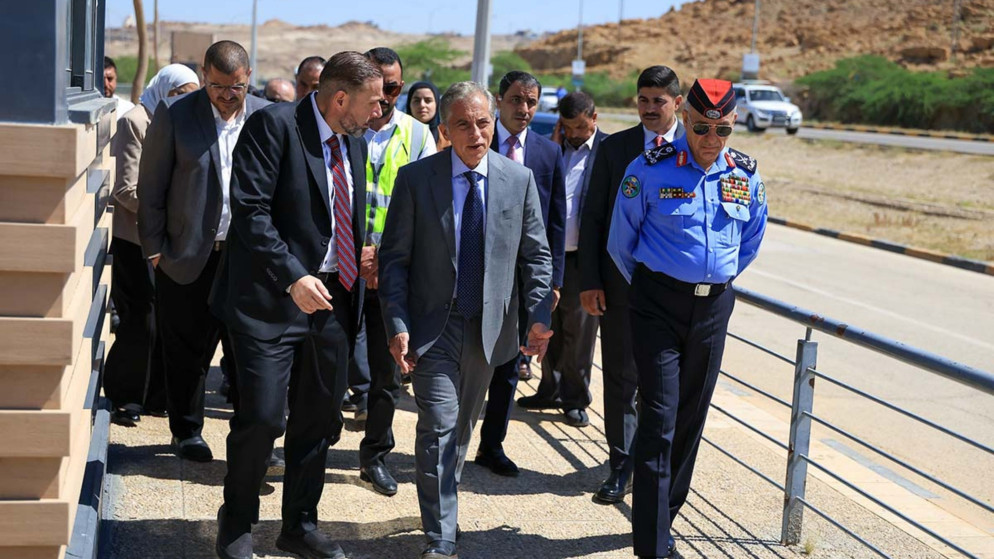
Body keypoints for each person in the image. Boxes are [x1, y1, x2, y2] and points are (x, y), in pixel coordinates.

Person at [210, 51, 383, 559]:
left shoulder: (354, 142)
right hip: (271, 302)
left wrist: (362, 252)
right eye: (373, 102)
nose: (379, 112)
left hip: (333, 301)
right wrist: (293, 277)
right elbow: (251, 212)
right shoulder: (274, 126)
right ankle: (236, 521)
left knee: (319, 422)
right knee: (264, 418)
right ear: (341, 98)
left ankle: (300, 526)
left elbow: (335, 216)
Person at [378, 80, 554, 559]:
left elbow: (536, 257)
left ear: (493, 123)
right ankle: (441, 536)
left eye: (482, 123)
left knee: (460, 431)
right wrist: (397, 323)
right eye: (463, 125)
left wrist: (539, 315)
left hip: (489, 329)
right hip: (432, 326)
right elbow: (394, 261)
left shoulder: (518, 180)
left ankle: (441, 503)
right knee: (438, 424)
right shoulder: (417, 180)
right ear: (445, 130)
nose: (476, 134)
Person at [608, 78, 768, 558]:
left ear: (733, 124)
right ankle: (652, 547)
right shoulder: (648, 168)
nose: (711, 139)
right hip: (657, 305)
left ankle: (664, 520)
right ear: (685, 119)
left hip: (713, 309)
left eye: (722, 130)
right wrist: (661, 284)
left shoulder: (745, 175)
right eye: (701, 128)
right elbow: (621, 242)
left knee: (690, 418)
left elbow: (751, 239)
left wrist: (712, 278)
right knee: (659, 418)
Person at [137, 40, 269, 463]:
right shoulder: (175, 115)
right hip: (187, 256)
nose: (228, 96)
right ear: (203, 74)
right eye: (218, 86)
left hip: (248, 258)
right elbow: (151, 188)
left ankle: (252, 438)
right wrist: (155, 251)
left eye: (237, 87)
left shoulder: (267, 116)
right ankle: (187, 431)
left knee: (249, 352)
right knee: (187, 352)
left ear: (248, 78)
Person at [577, 65, 685, 504]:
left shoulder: (695, 146)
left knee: (665, 384)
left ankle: (656, 466)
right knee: (622, 378)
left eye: (659, 101)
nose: (649, 108)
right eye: (643, 100)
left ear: (678, 103)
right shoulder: (615, 148)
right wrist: (590, 280)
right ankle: (620, 465)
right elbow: (593, 216)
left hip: (675, 291)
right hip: (620, 286)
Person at [346, 47, 435, 497]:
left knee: (387, 374)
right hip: (340, 267)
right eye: (378, 86)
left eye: (394, 87)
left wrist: (385, 256)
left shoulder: (418, 136)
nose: (384, 96)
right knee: (324, 362)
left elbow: (427, 207)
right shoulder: (343, 127)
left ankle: (375, 456)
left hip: (391, 272)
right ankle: (312, 441)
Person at [475, 70, 566, 478]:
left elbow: (556, 221)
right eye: (516, 100)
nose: (524, 109)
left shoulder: (548, 153)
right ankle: (450, 439)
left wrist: (554, 282)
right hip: (477, 270)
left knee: (510, 365)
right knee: (469, 357)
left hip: (524, 279)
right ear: (499, 101)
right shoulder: (478, 142)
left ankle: (492, 444)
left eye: (531, 102)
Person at [104, 64, 200, 427]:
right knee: (139, 320)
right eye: (179, 94)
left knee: (166, 319)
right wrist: (170, 209)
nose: (185, 101)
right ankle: (125, 397)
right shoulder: (136, 122)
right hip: (135, 238)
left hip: (169, 238)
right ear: (164, 90)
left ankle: (157, 396)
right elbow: (125, 188)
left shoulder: (183, 124)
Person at [518, 91, 606, 428]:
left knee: (579, 334)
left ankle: (575, 398)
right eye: (567, 127)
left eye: (580, 127)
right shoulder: (553, 149)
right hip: (551, 256)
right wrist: (556, 145)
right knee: (547, 324)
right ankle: (549, 390)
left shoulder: (607, 150)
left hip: (585, 259)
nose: (574, 134)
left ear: (594, 119)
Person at [406, 81, 450, 150]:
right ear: (409, 104)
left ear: (437, 104)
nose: (422, 105)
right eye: (417, 101)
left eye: (428, 100)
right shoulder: (398, 134)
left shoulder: (448, 137)